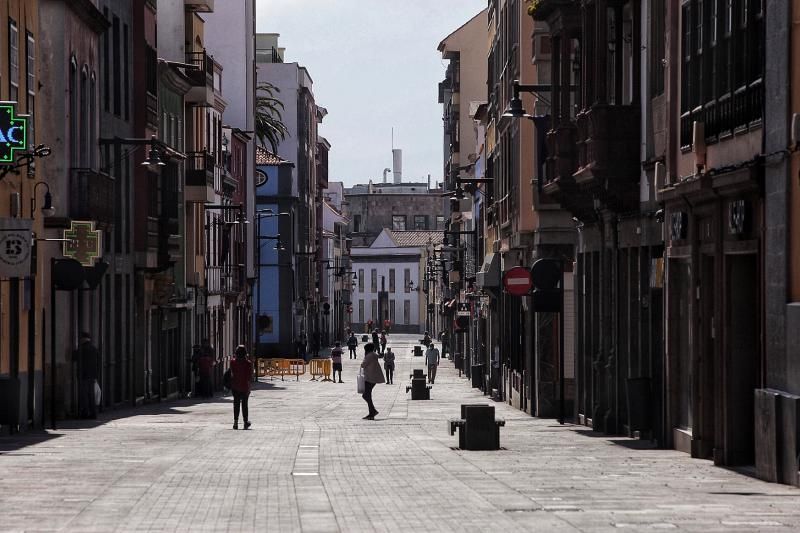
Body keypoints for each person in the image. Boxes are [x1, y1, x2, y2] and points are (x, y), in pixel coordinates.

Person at [72, 332, 99, 419]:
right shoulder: (94, 348)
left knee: (84, 395)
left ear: (83, 339)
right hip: (92, 375)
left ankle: (85, 413)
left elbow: (74, 358)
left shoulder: (82, 348)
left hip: (83, 375)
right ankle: (93, 413)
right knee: (91, 395)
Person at [230, 345, 253, 430]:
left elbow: (232, 374)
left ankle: (235, 423)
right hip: (244, 387)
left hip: (235, 386)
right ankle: (245, 422)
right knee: (244, 405)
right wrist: (249, 388)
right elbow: (248, 377)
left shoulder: (232, 362)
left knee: (236, 404)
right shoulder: (248, 363)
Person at [360, 342, 384, 420]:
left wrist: (364, 357)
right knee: (367, 395)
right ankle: (372, 412)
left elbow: (363, 365)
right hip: (373, 378)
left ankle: (372, 412)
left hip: (369, 378)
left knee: (366, 395)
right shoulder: (374, 354)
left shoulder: (369, 356)